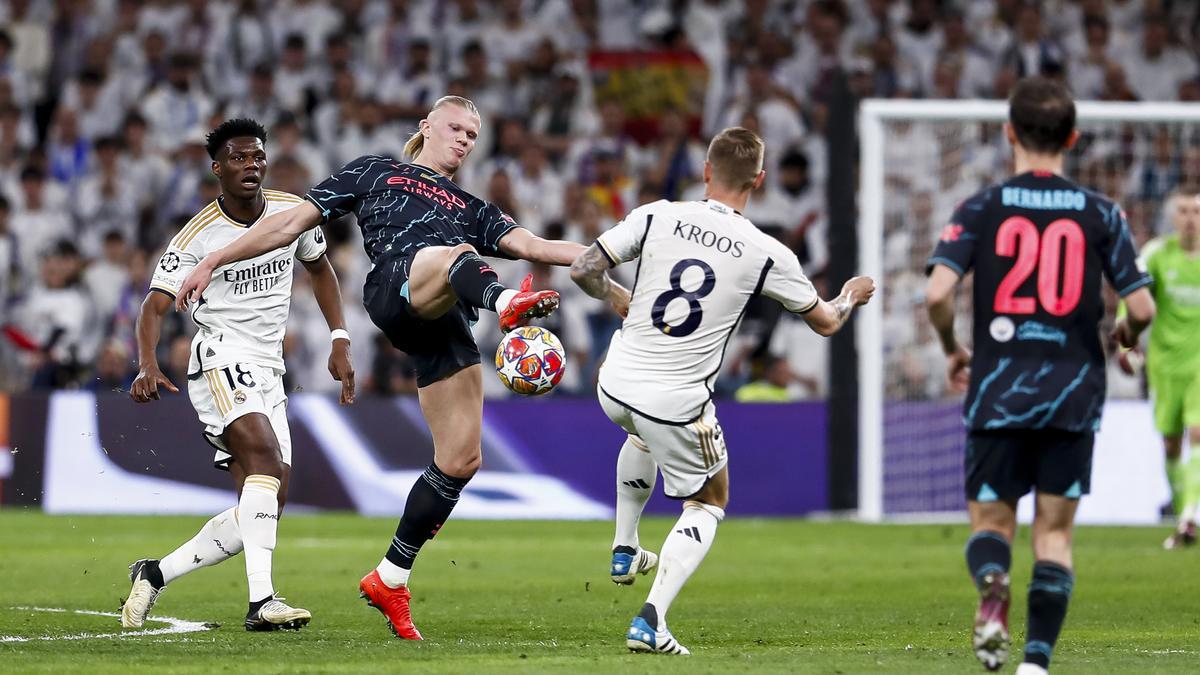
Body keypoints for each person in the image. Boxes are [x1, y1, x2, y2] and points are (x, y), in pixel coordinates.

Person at [173, 96, 626, 640]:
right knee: (453, 252)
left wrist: (609, 262)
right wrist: (214, 257)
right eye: (455, 128)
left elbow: (531, 243)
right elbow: (290, 222)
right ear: (426, 126)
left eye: (472, 135)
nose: (463, 139)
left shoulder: (471, 205)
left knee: (461, 458)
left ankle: (391, 576)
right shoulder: (377, 171)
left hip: (445, 321)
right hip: (396, 290)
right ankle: (504, 304)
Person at [570, 126, 874, 655]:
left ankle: (625, 546)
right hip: (676, 398)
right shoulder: (766, 251)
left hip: (614, 382)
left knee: (641, 434)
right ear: (758, 179)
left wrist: (618, 295)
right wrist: (849, 295)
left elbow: (583, 267)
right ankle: (651, 620)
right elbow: (826, 322)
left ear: (706, 171)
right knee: (709, 501)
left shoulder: (657, 213)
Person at [925, 77, 1156, 674]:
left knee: (993, 523)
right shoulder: (1101, 211)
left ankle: (993, 583)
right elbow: (1142, 309)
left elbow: (937, 295)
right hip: (1073, 391)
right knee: (1053, 537)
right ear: (1073, 138)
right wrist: (1125, 339)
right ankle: (1034, 665)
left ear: (1009, 134)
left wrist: (953, 347)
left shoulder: (981, 206)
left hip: (999, 386)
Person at [121, 118, 356, 633]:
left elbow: (320, 268)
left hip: (270, 365)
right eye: (238, 159)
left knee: (267, 499)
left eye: (257, 157)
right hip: (221, 356)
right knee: (265, 464)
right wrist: (147, 362)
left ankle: (155, 573)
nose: (251, 166)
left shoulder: (295, 213)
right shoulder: (197, 235)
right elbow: (153, 307)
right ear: (217, 168)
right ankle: (262, 602)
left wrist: (339, 336)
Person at [1119, 189, 1200, 549]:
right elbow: (1132, 295)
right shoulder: (1156, 253)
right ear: (1173, 217)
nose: (1190, 218)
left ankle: (1189, 518)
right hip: (1165, 365)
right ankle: (1182, 508)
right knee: (1170, 443)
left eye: (1196, 211)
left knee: (1197, 433)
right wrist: (1126, 340)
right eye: (1183, 211)